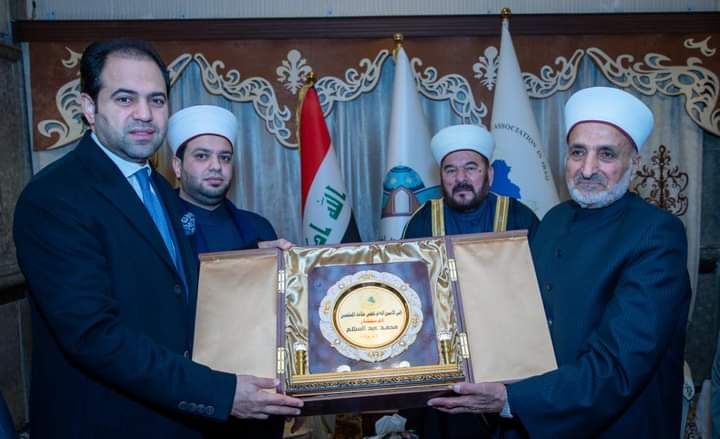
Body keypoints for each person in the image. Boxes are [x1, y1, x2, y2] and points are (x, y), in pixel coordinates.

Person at [13, 39, 302, 438]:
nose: (145, 114)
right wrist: (219, 392)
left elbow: (172, 284)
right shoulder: (55, 197)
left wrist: (253, 266)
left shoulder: (158, 188)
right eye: (125, 99)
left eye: (157, 100)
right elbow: (94, 335)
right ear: (89, 108)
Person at [427, 86, 691, 438]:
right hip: (535, 418)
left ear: (636, 163)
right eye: (578, 152)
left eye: (607, 154)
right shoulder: (553, 220)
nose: (588, 169)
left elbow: (618, 367)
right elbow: (521, 316)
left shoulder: (657, 234)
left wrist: (510, 399)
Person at [168, 104, 291, 256]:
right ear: (178, 166)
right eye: (202, 156)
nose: (216, 166)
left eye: (225, 158)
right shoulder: (161, 225)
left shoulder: (258, 227)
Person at [402, 124, 538, 240]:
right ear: (441, 177)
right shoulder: (423, 221)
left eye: (470, 168)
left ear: (489, 175)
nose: (460, 178)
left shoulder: (518, 217)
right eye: (451, 170)